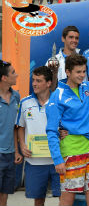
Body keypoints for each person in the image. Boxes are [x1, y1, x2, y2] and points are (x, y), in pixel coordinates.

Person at [46, 54, 89, 206]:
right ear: (67, 72)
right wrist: (57, 159)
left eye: (84, 71)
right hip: (71, 151)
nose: (82, 75)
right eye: (78, 72)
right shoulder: (57, 95)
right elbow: (51, 130)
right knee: (68, 198)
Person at [16, 66, 60, 206]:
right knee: (38, 200)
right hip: (34, 162)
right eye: (33, 80)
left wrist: (64, 132)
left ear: (48, 83)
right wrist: (22, 145)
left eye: (39, 80)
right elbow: (20, 127)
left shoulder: (59, 102)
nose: (34, 83)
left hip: (58, 160)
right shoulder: (25, 102)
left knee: (64, 199)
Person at [0, 60, 22, 206]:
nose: (17, 75)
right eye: (13, 72)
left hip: (10, 155)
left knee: (5, 194)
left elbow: (15, 126)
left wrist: (15, 151)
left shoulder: (16, 97)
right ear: (4, 78)